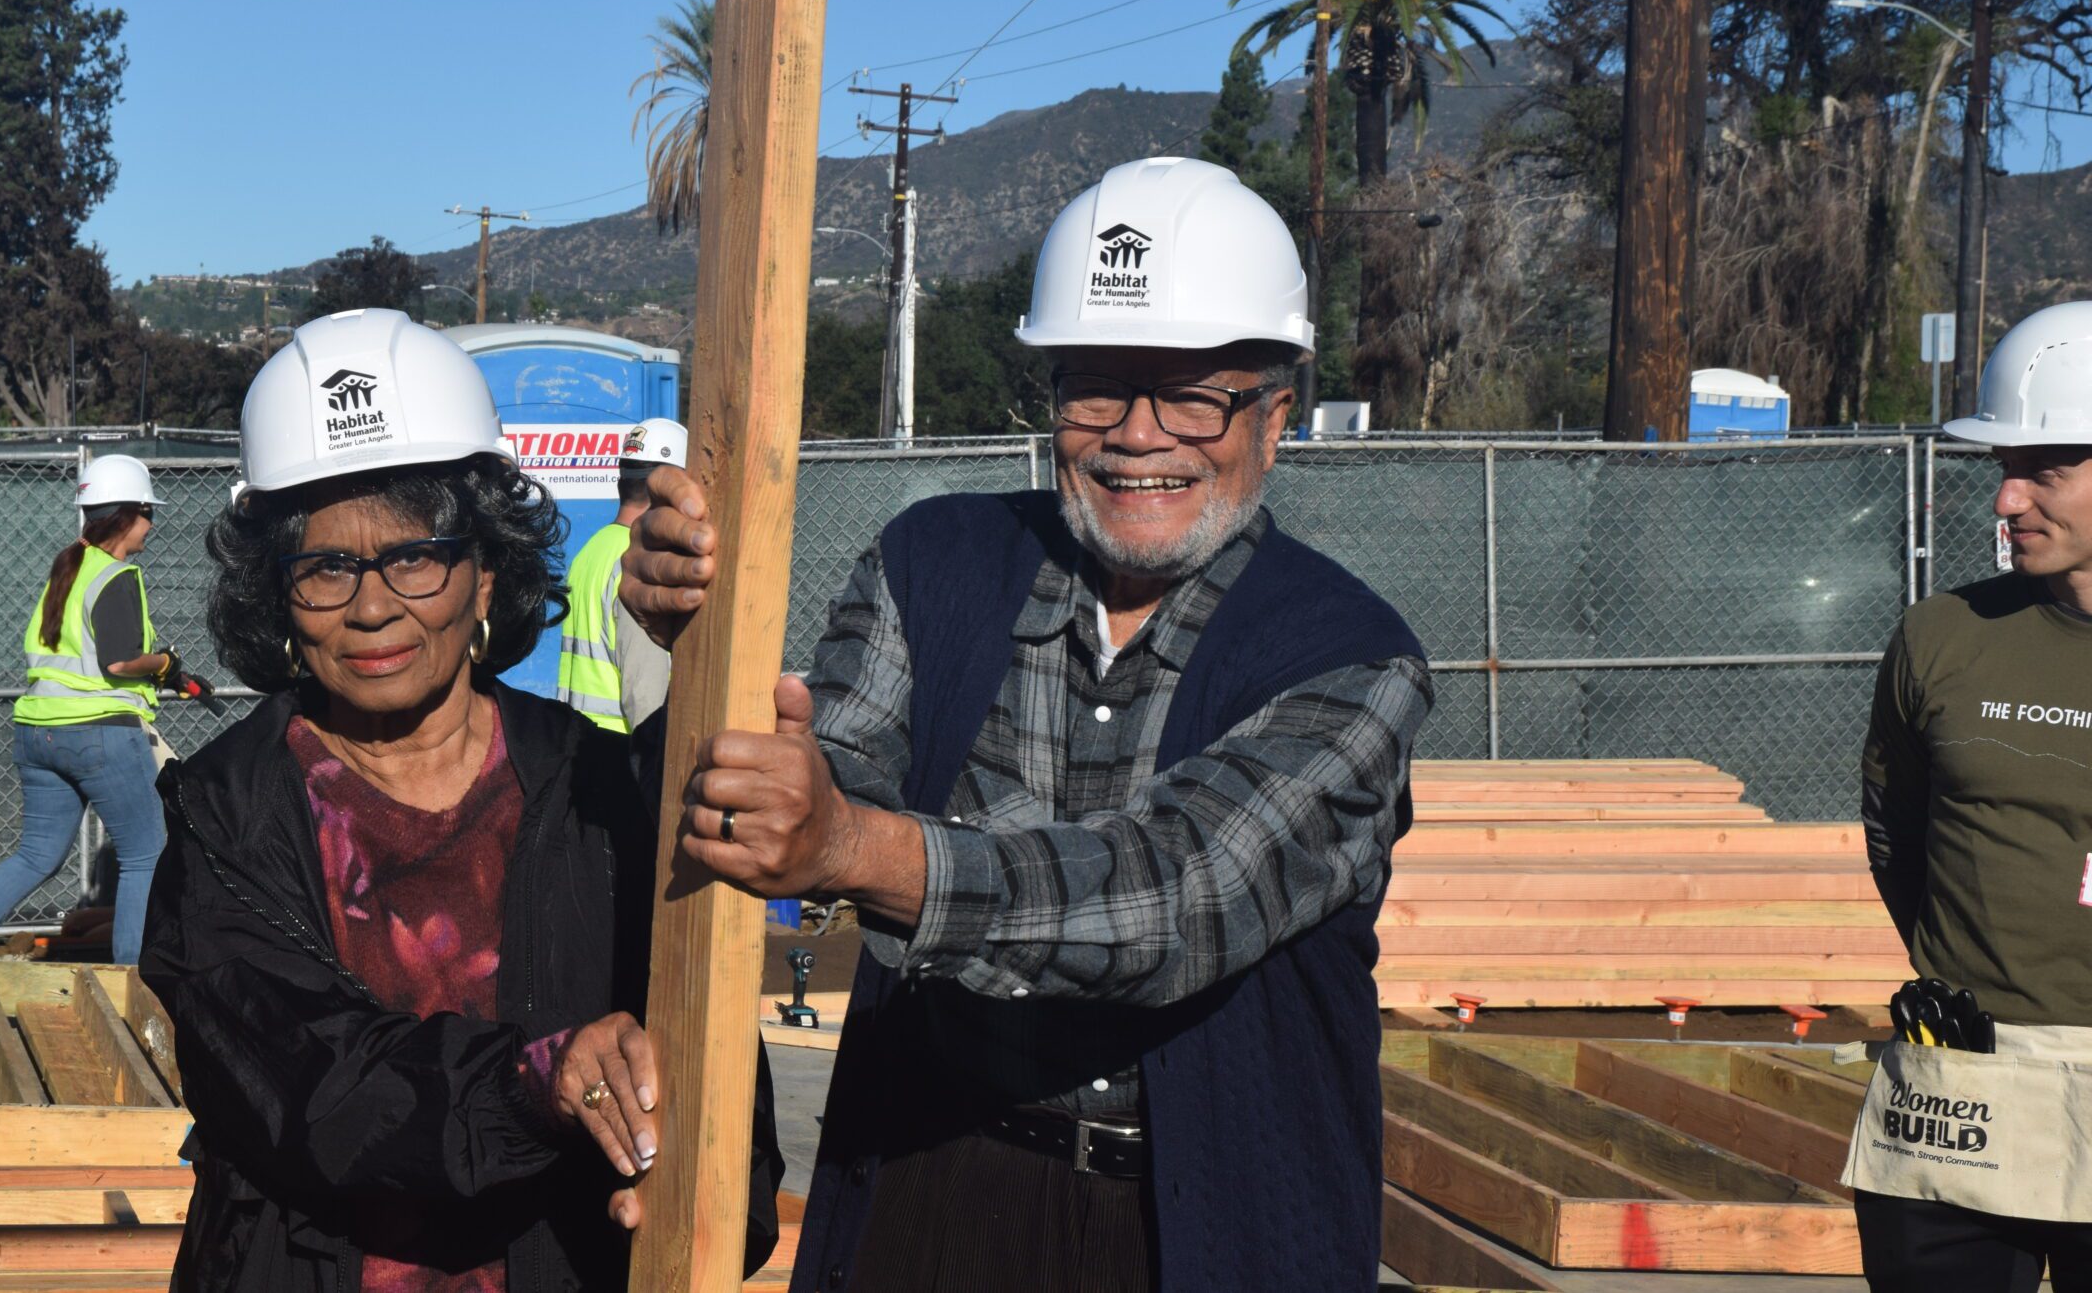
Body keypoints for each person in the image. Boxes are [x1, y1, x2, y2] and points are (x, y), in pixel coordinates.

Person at [624, 156, 1433, 1293]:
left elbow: (1172, 898)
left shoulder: (1347, 655)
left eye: (1194, 393)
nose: (1136, 436)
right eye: (1095, 386)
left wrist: (855, 847)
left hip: (1208, 1222)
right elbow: (840, 759)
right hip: (928, 1188)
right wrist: (708, 673)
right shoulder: (932, 563)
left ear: (1275, 415)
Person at [142, 309, 777, 1292]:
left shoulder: (599, 793)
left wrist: (707, 1197)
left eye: (414, 556)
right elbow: (310, 1086)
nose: (370, 605)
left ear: (487, 573)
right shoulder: (226, 811)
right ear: (275, 598)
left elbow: (718, 1064)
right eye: (323, 567)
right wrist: (539, 1081)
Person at [1850, 301, 2092, 1292]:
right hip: (1955, 1086)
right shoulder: (1942, 639)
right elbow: (1896, 839)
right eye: (2002, 468)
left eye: (2046, 468)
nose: (2008, 501)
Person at [0, 454, 177, 968]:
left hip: (38, 732)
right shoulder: (116, 574)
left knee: (37, 856)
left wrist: (161, 668)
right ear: (127, 516)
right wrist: (166, 663)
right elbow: (119, 659)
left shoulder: (67, 569)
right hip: (100, 733)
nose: (152, 526)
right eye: (149, 513)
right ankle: (133, 978)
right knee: (145, 853)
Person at [557, 419, 685, 733]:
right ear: (667, 487)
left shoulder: (594, 548)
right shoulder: (644, 566)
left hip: (579, 745)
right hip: (622, 753)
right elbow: (646, 698)